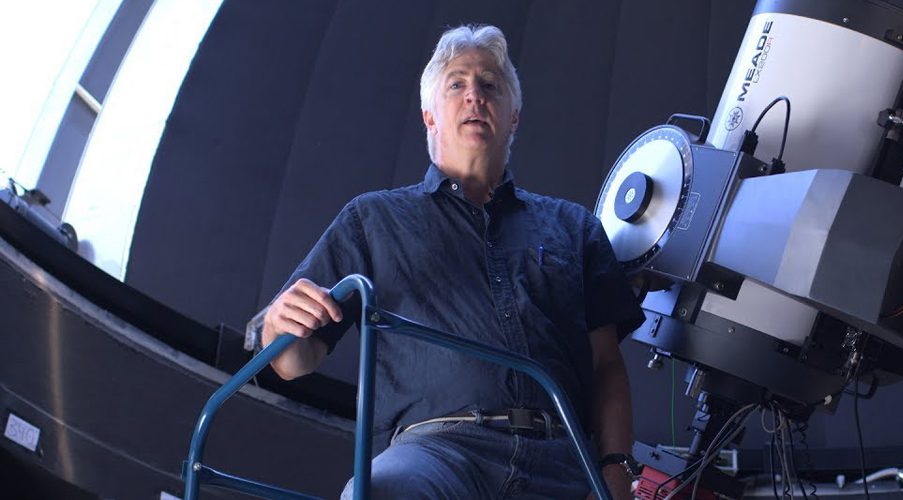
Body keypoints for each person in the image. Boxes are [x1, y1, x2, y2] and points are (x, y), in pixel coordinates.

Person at [259, 24, 645, 499]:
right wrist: (279, 326)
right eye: (456, 83)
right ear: (430, 116)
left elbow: (607, 365)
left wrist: (615, 472)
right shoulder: (372, 219)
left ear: (514, 116)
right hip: (437, 455)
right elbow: (293, 362)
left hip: (564, 460)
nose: (474, 95)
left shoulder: (575, 226)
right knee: (379, 493)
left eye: (490, 84)